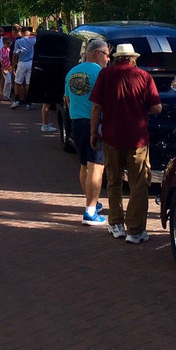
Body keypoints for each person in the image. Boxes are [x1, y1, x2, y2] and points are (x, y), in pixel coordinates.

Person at [89, 42, 161, 244]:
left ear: (116, 57)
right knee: (138, 183)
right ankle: (135, 230)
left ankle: (116, 223)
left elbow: (96, 107)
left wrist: (93, 132)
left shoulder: (105, 75)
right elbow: (157, 108)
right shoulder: (144, 77)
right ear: (133, 58)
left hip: (111, 136)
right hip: (137, 137)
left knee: (114, 180)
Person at [65, 38, 110, 226]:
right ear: (97, 53)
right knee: (97, 166)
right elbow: (105, 101)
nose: (108, 59)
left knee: (84, 164)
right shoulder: (100, 73)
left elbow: (67, 99)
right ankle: (90, 211)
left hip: (76, 121)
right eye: (107, 54)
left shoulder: (71, 73)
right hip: (95, 122)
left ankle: (91, 202)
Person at [9, 26, 36, 110]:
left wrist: (13, 66)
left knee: (17, 81)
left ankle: (17, 99)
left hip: (21, 62)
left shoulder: (18, 41)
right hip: (30, 62)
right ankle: (28, 102)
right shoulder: (33, 40)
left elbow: (15, 55)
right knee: (28, 82)